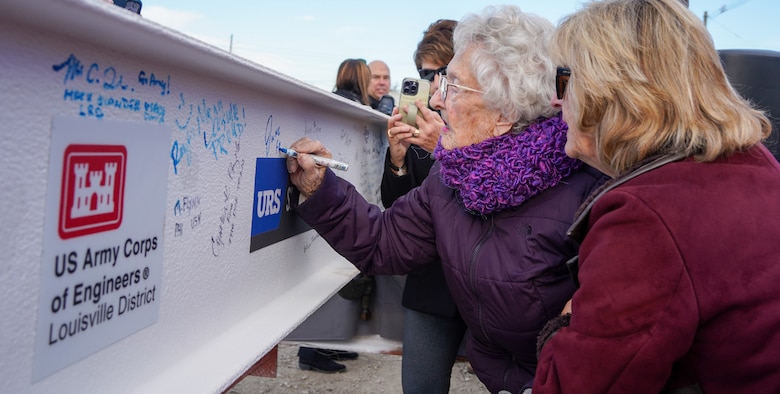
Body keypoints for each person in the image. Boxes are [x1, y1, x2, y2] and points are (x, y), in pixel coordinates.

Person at [284, 6, 606, 392]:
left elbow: (614, 341)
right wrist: (322, 188)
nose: (436, 100)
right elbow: (383, 242)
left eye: (452, 86)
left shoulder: (591, 191)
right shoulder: (451, 177)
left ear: (503, 113)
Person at [533, 0, 780, 392]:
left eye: (564, 79)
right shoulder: (755, 162)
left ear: (611, 88)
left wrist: (565, 321)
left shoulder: (647, 217)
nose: (554, 100)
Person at [381, 19, 467, 394]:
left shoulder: (495, 123)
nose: (430, 83)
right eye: (421, 73)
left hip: (489, 283)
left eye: (439, 72)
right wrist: (398, 160)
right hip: (431, 285)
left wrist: (443, 146)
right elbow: (397, 210)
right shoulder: (417, 128)